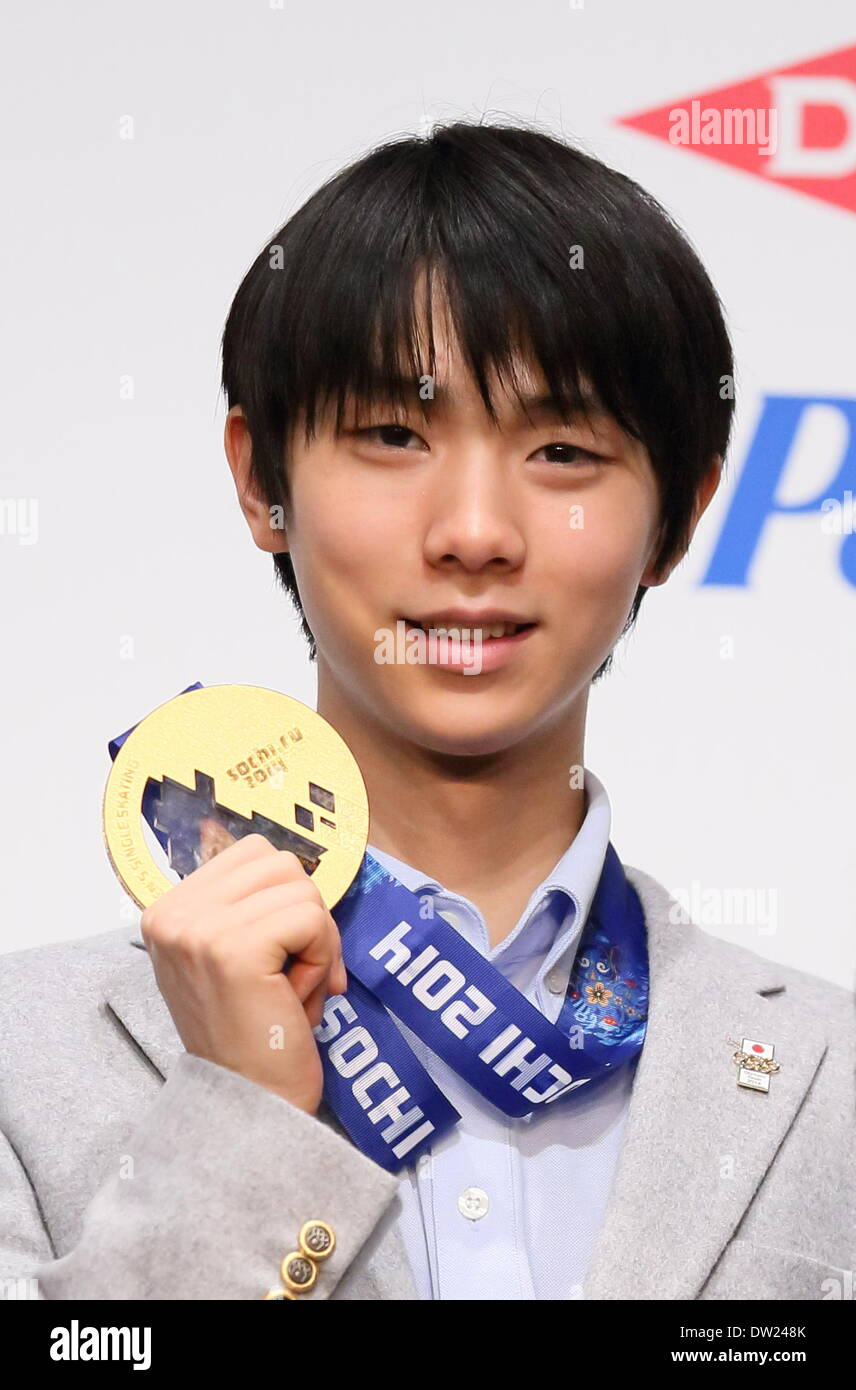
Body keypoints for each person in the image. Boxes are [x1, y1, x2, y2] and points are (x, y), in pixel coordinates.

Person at [1, 120, 852, 1303]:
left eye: (561, 450)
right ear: (260, 481)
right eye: (395, 435)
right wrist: (241, 1120)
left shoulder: (831, 1073)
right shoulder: (18, 1060)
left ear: (683, 511)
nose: (473, 532)